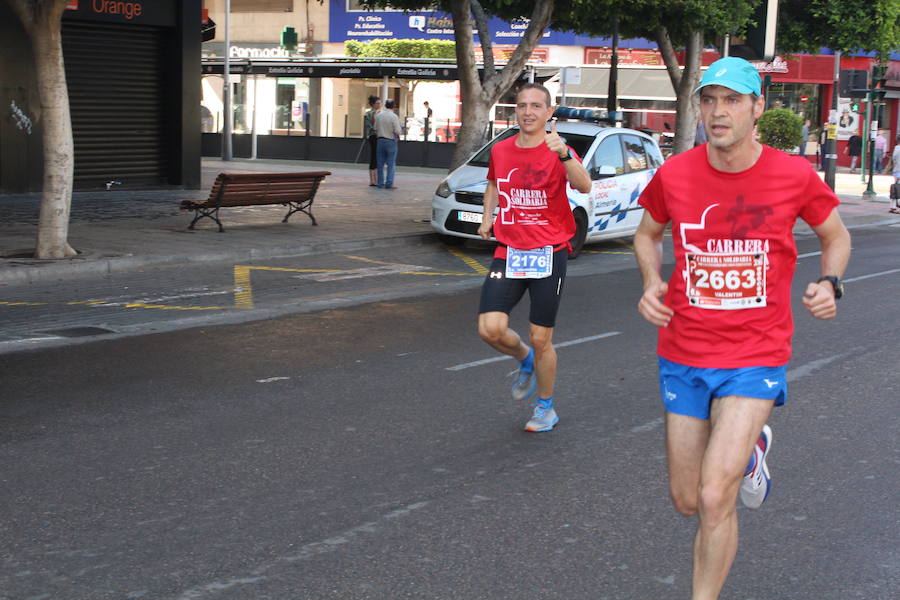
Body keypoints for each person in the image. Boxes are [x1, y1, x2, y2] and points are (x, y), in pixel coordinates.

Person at [633, 56, 851, 600]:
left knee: (713, 497)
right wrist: (650, 282)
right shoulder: (676, 173)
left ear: (758, 108)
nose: (717, 111)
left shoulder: (794, 175)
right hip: (683, 351)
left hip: (757, 354)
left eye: (732, 100)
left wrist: (830, 283)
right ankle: (752, 453)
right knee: (686, 499)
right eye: (708, 100)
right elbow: (647, 233)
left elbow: (836, 236)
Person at [476, 83, 591, 432]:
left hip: (548, 250)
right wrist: (487, 217)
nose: (528, 112)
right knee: (489, 328)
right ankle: (523, 358)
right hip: (509, 249)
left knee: (542, 338)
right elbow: (494, 183)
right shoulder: (502, 150)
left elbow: (585, 186)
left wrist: (565, 156)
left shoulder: (560, 149)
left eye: (536, 106)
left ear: (548, 113)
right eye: (522, 105)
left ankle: (545, 407)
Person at [374, 99, 402, 189]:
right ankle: (389, 183)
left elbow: (375, 128)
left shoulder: (378, 116)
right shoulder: (394, 116)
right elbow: (397, 130)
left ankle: (380, 183)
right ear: (393, 106)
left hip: (380, 140)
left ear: (385, 105)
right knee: (391, 163)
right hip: (390, 140)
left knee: (380, 163)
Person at [363, 96, 382, 187]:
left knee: (376, 157)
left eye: (380, 103)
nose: (379, 105)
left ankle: (375, 179)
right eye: (377, 103)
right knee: (374, 156)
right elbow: (369, 126)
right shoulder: (370, 114)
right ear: (373, 104)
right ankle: (373, 180)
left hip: (376, 136)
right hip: (374, 137)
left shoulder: (379, 113)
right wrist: (377, 131)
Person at [889, 134, 900, 213]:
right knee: (897, 188)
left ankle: (892, 206)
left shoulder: (896, 148)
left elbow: (894, 159)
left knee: (895, 187)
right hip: (898, 170)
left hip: (897, 170)